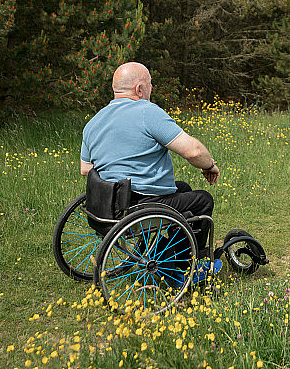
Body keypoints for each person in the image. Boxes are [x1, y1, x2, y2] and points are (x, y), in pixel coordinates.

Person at [80, 62, 221, 276]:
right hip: (141, 203)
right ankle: (187, 266)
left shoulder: (94, 121)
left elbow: (86, 168)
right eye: (150, 85)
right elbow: (193, 152)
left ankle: (173, 245)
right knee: (203, 200)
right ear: (139, 89)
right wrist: (209, 165)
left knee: (182, 188)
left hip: (109, 204)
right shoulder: (147, 112)